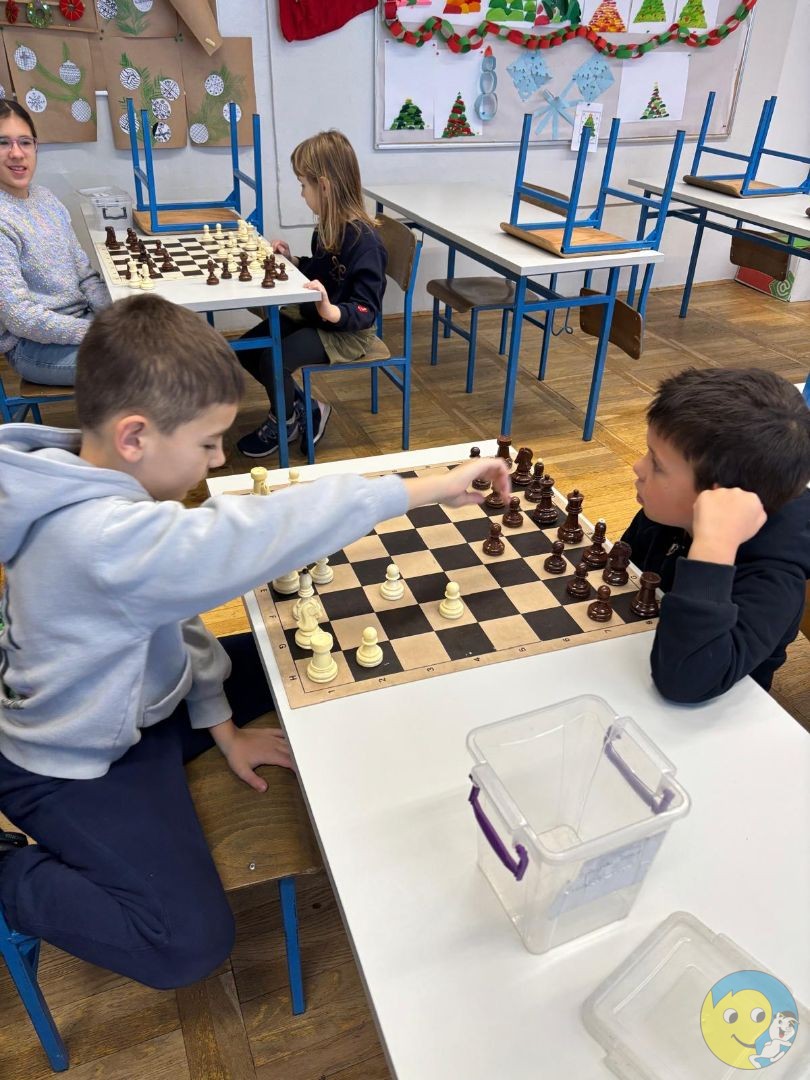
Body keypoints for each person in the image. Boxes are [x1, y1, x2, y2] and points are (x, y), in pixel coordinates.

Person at [0, 292, 509, 989]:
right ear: (135, 437)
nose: (217, 461)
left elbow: (170, 620)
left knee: (298, 650)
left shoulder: (89, 482)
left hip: (138, 699)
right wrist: (424, 487)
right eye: (208, 443)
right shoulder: (97, 539)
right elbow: (251, 535)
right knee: (186, 945)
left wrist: (223, 726)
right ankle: (10, 872)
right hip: (72, 759)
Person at [625, 367, 810, 704]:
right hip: (633, 656)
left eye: (657, 464)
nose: (638, 467)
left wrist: (713, 548)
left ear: (718, 498)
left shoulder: (774, 576)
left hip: (715, 717)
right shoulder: (671, 513)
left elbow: (685, 682)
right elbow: (625, 573)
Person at [236, 130, 386, 458]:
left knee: (273, 360)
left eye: (303, 185)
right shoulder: (327, 228)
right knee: (249, 350)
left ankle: (283, 422)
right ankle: (308, 407)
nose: (302, 193)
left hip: (348, 332)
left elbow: (366, 310)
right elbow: (322, 272)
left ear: (325, 186)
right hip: (316, 316)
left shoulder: (366, 244)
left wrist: (332, 311)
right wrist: (294, 261)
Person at [0, 101, 111, 386]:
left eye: (25, 142)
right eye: (3, 143)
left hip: (84, 324)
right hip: (33, 347)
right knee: (146, 367)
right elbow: (19, 317)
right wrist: (100, 331)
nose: (16, 153)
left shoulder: (46, 199)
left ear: (36, 147)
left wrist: (117, 317)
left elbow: (85, 276)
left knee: (161, 345)